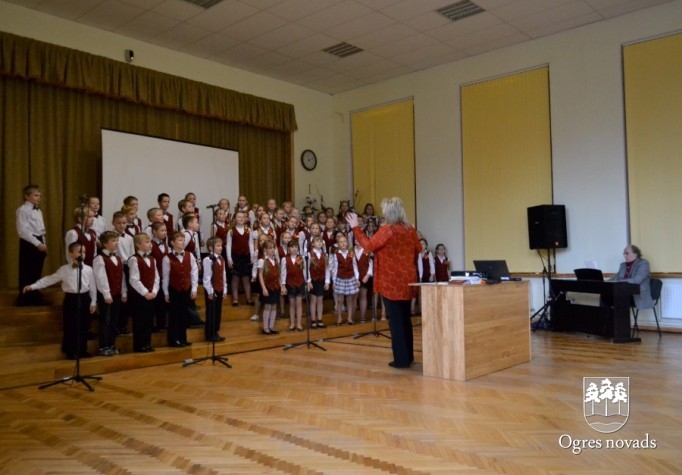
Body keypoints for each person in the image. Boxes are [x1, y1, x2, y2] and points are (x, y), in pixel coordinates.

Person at [347, 197, 421, 369]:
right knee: (405, 320)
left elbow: (368, 245)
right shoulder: (410, 229)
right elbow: (419, 249)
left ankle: (401, 360)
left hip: (391, 280)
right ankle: (408, 356)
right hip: (408, 279)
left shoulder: (388, 230)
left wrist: (355, 228)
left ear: (389, 212)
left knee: (395, 321)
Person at [23, 242, 97, 359]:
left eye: (84, 252)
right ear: (71, 254)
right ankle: (71, 351)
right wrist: (33, 286)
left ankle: (82, 350)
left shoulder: (88, 269)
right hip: (71, 299)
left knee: (83, 325)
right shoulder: (64, 270)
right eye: (79, 251)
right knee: (71, 325)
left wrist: (93, 302)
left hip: (85, 298)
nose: (82, 254)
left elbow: (92, 286)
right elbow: (49, 279)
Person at [92, 231, 127, 356]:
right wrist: (106, 294)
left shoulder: (117, 258)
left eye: (117, 241)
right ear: (104, 244)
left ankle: (112, 345)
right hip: (106, 295)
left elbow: (121, 277)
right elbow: (101, 278)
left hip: (117, 294)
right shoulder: (100, 258)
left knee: (114, 321)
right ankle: (103, 346)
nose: (116, 243)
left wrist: (124, 292)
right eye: (113, 241)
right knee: (105, 321)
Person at [162, 231, 197, 348]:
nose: (183, 242)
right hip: (174, 288)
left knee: (184, 314)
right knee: (174, 315)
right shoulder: (167, 258)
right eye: (180, 240)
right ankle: (173, 339)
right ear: (172, 242)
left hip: (186, 288)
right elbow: (166, 276)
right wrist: (166, 292)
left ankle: (183, 338)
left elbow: (194, 273)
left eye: (183, 240)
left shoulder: (190, 255)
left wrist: (194, 288)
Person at [16, 184, 48, 306]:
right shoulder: (22, 210)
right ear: (26, 196)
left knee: (36, 272)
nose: (39, 197)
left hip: (38, 241)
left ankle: (35, 297)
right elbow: (22, 231)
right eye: (35, 195)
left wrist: (43, 243)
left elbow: (41, 230)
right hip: (29, 243)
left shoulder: (38, 210)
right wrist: (37, 243)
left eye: (39, 195)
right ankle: (25, 299)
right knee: (27, 271)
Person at [128, 233, 160, 353]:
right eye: (146, 242)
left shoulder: (152, 259)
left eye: (150, 242)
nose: (150, 244)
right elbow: (134, 279)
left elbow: (156, 277)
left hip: (152, 295)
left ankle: (147, 343)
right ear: (138, 245)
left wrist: (154, 291)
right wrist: (145, 292)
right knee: (140, 321)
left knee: (149, 320)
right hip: (140, 296)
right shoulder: (134, 259)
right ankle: (139, 345)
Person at [610, 245, 653, 310]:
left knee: (619, 297)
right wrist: (605, 282)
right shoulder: (623, 265)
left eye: (627, 253)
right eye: (624, 254)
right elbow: (616, 278)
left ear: (635, 254)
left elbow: (636, 280)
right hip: (623, 292)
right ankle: (608, 318)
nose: (624, 256)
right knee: (605, 295)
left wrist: (620, 281)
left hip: (637, 294)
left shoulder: (643, 263)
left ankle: (620, 319)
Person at [329, 234, 360, 326]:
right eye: (341, 242)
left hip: (350, 278)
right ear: (338, 244)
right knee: (339, 300)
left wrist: (357, 278)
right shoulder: (336, 255)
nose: (343, 243)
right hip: (340, 278)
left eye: (344, 242)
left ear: (347, 243)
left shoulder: (351, 253)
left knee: (349, 299)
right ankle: (339, 317)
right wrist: (334, 281)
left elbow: (355, 267)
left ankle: (349, 318)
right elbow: (335, 269)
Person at [202, 237, 227, 342]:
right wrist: (210, 290)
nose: (220, 248)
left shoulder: (221, 259)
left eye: (221, 246)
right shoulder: (208, 260)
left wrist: (225, 289)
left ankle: (216, 331)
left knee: (218, 312)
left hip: (220, 288)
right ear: (211, 247)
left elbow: (224, 275)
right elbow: (207, 277)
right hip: (212, 290)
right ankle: (209, 333)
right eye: (218, 246)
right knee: (211, 312)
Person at [258, 239, 281, 335]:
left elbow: (278, 275)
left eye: (273, 248)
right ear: (265, 250)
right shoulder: (262, 260)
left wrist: (281, 286)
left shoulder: (276, 260)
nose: (272, 250)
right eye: (269, 248)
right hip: (267, 287)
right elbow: (260, 275)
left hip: (275, 287)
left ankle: (271, 326)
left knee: (274, 306)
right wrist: (263, 288)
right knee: (267, 307)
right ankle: (265, 327)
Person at [281, 240, 305, 332]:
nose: (294, 249)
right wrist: (283, 284)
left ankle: (299, 323)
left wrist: (307, 281)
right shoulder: (284, 259)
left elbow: (304, 271)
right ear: (288, 249)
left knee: (299, 303)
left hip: (300, 282)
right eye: (292, 247)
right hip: (290, 283)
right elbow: (283, 272)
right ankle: (292, 324)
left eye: (295, 247)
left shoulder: (301, 258)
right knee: (291, 304)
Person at [307, 236, 329, 328]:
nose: (319, 243)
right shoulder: (309, 254)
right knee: (313, 300)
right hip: (313, 280)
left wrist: (327, 281)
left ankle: (319, 319)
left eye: (321, 242)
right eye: (317, 241)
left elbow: (327, 268)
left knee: (320, 300)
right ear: (312, 244)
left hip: (321, 279)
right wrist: (308, 281)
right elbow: (307, 269)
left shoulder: (325, 255)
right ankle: (313, 319)